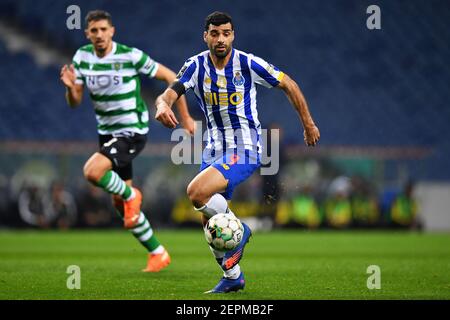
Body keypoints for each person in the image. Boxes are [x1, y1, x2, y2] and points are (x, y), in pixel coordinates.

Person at [155, 11, 320, 293]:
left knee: (196, 192)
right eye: (215, 33)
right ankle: (233, 276)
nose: (221, 39)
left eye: (227, 33)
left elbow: (288, 84)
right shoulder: (195, 66)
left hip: (245, 146)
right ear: (205, 36)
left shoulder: (247, 63)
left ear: (233, 35)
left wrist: (308, 124)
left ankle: (241, 230)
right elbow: (170, 93)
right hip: (213, 149)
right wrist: (162, 105)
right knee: (209, 219)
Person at [60, 10, 195, 272]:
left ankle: (133, 194)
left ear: (112, 31)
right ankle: (158, 252)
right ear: (87, 34)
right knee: (120, 205)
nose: (99, 34)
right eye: (93, 31)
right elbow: (75, 102)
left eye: (103, 29)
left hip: (131, 130)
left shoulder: (130, 55)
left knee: (92, 171)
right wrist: (70, 88)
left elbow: (172, 77)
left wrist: (186, 117)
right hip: (107, 133)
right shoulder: (82, 57)